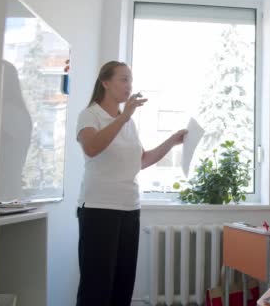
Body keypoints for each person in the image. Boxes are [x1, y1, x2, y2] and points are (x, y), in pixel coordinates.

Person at [75, 61, 187, 306]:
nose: (129, 85)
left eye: (131, 80)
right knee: (96, 287)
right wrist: (124, 116)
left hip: (129, 209)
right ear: (105, 83)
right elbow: (92, 147)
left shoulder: (129, 123)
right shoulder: (90, 114)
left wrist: (171, 141)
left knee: (122, 285)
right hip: (98, 209)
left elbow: (142, 161)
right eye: (123, 79)